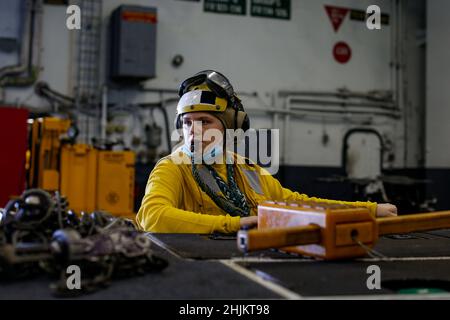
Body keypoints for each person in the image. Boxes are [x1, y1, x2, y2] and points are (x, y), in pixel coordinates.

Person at [136, 70, 397, 233]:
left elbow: (296, 203)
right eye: (187, 122)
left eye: (205, 121)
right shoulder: (172, 167)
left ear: (230, 126)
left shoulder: (246, 168)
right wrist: (233, 225)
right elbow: (154, 216)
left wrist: (368, 210)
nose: (194, 131)